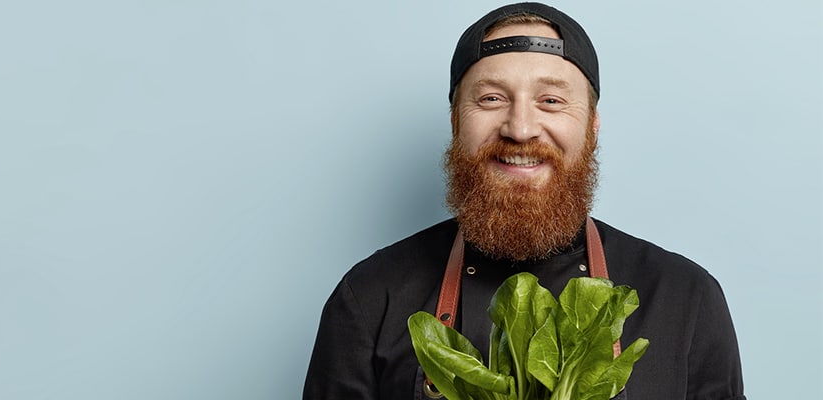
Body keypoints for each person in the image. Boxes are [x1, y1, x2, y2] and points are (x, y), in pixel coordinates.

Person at [302, 2, 745, 400]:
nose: (520, 128)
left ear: (591, 127)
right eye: (492, 98)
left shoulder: (686, 299)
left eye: (551, 100)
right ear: (457, 121)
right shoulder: (369, 297)